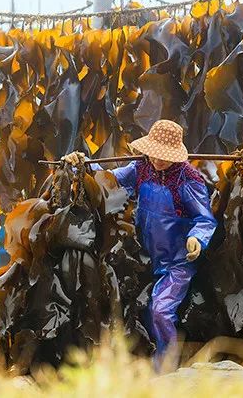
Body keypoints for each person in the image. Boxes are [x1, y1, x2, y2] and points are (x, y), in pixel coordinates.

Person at [61, 119, 217, 365]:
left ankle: (166, 366)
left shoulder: (189, 180)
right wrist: (80, 167)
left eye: (163, 156)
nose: (157, 160)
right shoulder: (140, 168)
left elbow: (205, 218)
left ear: (177, 155)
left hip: (177, 261)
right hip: (142, 255)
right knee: (125, 307)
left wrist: (197, 238)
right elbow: (107, 180)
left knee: (160, 311)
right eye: (153, 154)